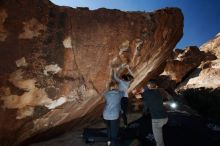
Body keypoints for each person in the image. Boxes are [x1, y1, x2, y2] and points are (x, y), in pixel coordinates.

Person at [133, 80, 168, 146]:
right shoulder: (158, 91)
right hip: (165, 117)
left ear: (148, 86)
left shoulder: (148, 93)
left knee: (159, 141)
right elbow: (153, 87)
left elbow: (137, 96)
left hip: (157, 120)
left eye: (147, 85)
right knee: (160, 134)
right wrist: (146, 88)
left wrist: (134, 92)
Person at [103, 81, 123, 146]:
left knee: (108, 129)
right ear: (116, 87)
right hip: (114, 116)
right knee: (114, 134)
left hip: (105, 115)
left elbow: (107, 102)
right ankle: (113, 144)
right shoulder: (119, 94)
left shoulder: (106, 94)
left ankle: (108, 143)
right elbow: (122, 93)